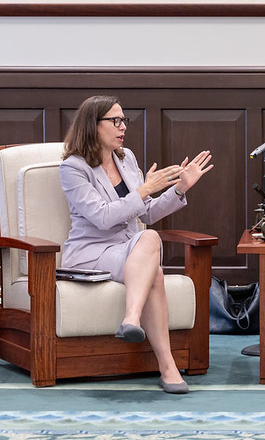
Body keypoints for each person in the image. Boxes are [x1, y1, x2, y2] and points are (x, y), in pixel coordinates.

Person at [59, 95, 213, 394]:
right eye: (115, 121)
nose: (123, 127)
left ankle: (135, 324)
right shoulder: (73, 168)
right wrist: (144, 190)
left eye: (123, 120)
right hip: (91, 253)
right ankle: (166, 365)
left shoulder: (126, 158)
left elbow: (148, 214)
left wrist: (180, 189)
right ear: (93, 125)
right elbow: (103, 217)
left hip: (129, 249)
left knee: (150, 245)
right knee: (152, 256)